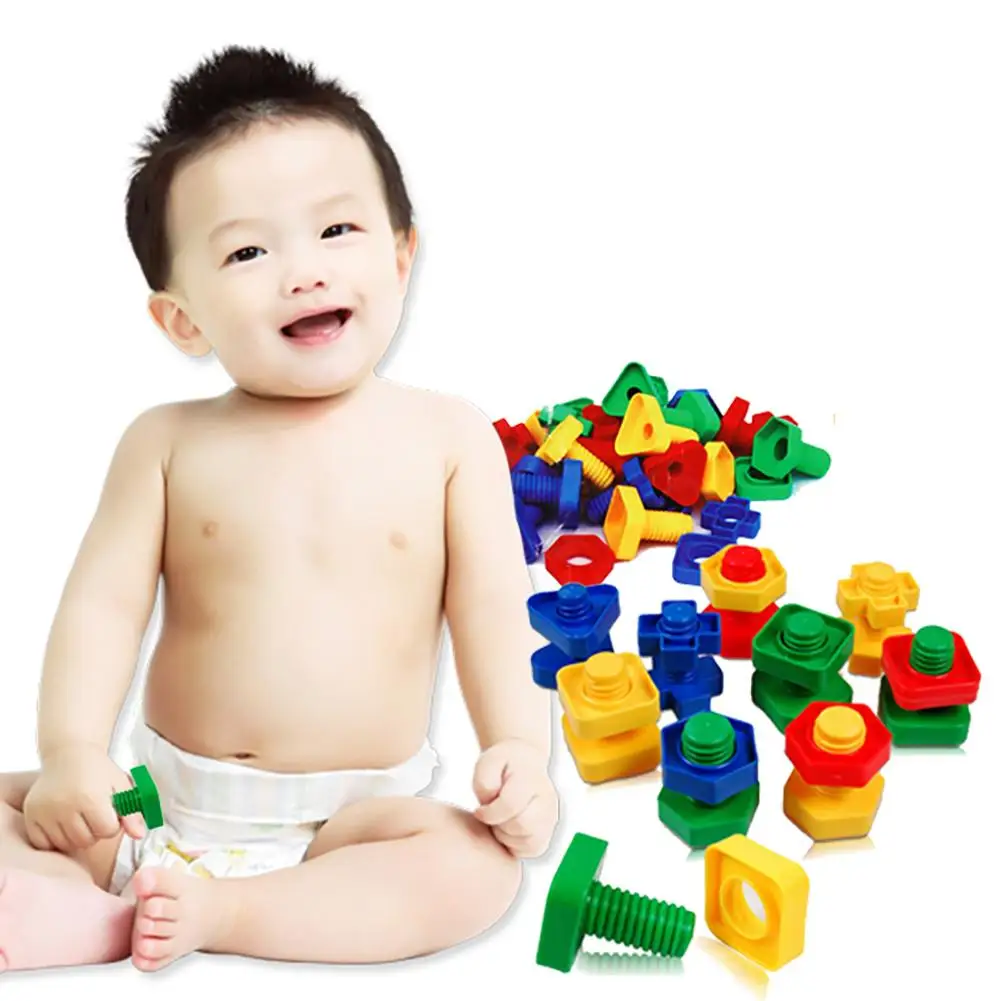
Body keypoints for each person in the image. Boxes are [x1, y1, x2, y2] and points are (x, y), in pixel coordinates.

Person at [0, 44, 557, 974]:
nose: (303, 272)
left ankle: (223, 912)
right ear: (183, 318)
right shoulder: (165, 441)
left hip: (354, 824)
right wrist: (70, 754)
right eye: (248, 251)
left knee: (475, 866)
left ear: (400, 253)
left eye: (336, 230)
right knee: (19, 802)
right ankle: (101, 906)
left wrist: (519, 751)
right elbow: (100, 608)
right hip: (155, 802)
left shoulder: (449, 437)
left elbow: (494, 611)